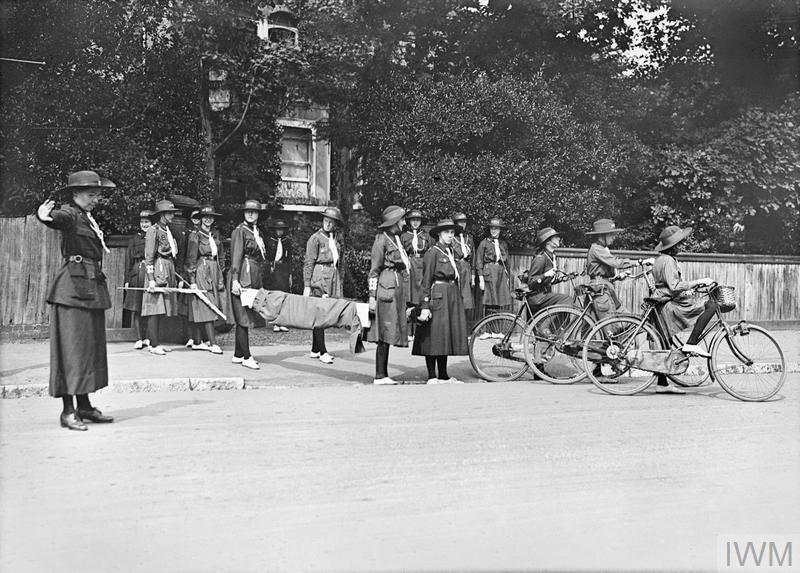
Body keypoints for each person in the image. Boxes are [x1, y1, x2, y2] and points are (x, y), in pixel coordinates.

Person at [35, 170, 116, 431]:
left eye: (97, 195)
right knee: (71, 351)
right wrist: (44, 216)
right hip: (71, 290)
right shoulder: (70, 213)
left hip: (90, 287)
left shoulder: (87, 217)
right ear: (75, 194)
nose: (96, 199)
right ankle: (68, 411)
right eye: (91, 194)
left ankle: (84, 406)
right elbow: (56, 219)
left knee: (87, 349)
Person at [651, 225, 716, 394]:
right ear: (672, 246)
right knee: (711, 306)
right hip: (671, 306)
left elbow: (668, 285)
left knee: (665, 344)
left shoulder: (660, 260)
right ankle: (691, 343)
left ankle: (662, 383)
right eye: (678, 244)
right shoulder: (668, 261)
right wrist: (699, 281)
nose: (680, 247)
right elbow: (674, 286)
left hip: (663, 303)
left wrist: (689, 289)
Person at [413, 218, 468, 384]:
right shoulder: (433, 252)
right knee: (433, 335)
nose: (450, 235)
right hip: (438, 294)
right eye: (447, 232)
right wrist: (424, 305)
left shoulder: (450, 251)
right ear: (439, 234)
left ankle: (443, 375)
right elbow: (426, 280)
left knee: (445, 335)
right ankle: (432, 375)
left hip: (451, 294)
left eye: (452, 233)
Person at [367, 205, 410, 385]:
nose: (404, 222)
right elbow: (374, 271)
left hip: (395, 285)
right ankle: (379, 374)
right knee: (383, 332)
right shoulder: (381, 240)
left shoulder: (396, 239)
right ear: (393, 222)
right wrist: (371, 296)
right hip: (386, 287)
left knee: (389, 331)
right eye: (402, 220)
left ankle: (383, 374)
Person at [228, 199, 268, 370]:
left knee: (244, 315)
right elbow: (236, 255)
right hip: (243, 274)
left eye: (254, 211)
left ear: (258, 214)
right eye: (248, 211)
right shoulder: (240, 231)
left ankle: (238, 354)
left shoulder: (256, 231)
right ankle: (246, 356)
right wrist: (235, 279)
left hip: (253, 273)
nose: (251, 214)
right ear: (244, 213)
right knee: (243, 316)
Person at [303, 206, 344, 364]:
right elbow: (308, 262)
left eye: (331, 222)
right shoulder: (315, 238)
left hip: (332, 275)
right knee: (320, 313)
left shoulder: (334, 239)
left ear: (335, 224)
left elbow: (338, 261)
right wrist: (307, 285)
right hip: (319, 275)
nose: (327, 224)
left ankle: (315, 349)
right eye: (326, 221)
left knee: (325, 312)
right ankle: (322, 351)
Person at [142, 199, 182, 355]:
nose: (172, 215)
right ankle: (153, 344)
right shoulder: (154, 230)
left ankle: (157, 342)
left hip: (168, 266)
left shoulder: (168, 230)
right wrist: (151, 278)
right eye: (169, 213)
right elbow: (149, 256)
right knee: (155, 307)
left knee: (163, 307)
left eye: (172, 212)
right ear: (161, 214)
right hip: (158, 267)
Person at [185, 205, 226, 354]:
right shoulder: (195, 236)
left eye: (211, 217)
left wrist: (221, 269)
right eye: (205, 216)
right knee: (206, 303)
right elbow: (191, 259)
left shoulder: (215, 234)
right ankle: (212, 343)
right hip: (202, 269)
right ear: (201, 218)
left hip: (215, 269)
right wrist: (192, 280)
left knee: (214, 302)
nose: (208, 219)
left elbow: (221, 254)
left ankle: (200, 340)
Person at [585, 218, 638, 320]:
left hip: (603, 287)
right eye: (611, 234)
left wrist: (617, 277)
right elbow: (616, 262)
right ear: (601, 236)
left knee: (590, 325)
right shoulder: (597, 248)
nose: (614, 237)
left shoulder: (602, 248)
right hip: (600, 289)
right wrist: (639, 262)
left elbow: (603, 272)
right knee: (614, 325)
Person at [123, 209, 153, 349]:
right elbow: (129, 259)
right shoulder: (135, 239)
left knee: (149, 305)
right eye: (142, 222)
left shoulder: (155, 236)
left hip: (150, 272)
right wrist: (128, 279)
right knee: (136, 306)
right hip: (137, 271)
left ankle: (147, 337)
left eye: (147, 222)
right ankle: (139, 338)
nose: (144, 225)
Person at [526, 227, 573, 315]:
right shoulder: (541, 258)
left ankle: (558, 328)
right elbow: (531, 282)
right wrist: (545, 274)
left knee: (565, 300)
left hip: (543, 295)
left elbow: (546, 282)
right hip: (537, 298)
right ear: (547, 241)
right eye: (555, 237)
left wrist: (562, 278)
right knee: (566, 299)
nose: (559, 239)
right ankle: (549, 327)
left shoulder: (551, 256)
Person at [476, 217, 512, 325]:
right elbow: (479, 261)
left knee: (499, 301)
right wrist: (481, 278)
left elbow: (507, 263)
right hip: (489, 273)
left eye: (496, 228)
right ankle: (487, 330)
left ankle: (497, 330)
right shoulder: (484, 243)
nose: (494, 231)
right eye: (492, 228)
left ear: (500, 230)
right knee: (489, 301)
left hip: (500, 274)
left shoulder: (503, 244)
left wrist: (507, 278)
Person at [400, 209, 429, 340]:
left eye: (418, 220)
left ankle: (419, 331)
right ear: (409, 222)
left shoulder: (426, 236)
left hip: (422, 265)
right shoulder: (404, 236)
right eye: (413, 220)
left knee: (421, 297)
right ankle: (408, 331)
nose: (416, 222)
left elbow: (430, 252)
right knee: (409, 297)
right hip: (409, 265)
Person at [266, 218, 292, 332]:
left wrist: (290, 273)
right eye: (278, 230)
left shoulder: (287, 241)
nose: (279, 232)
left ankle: (282, 321)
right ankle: (275, 322)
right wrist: (269, 267)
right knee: (274, 297)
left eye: (281, 230)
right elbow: (266, 257)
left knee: (284, 296)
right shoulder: (270, 241)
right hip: (274, 269)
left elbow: (290, 259)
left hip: (284, 270)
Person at [182, 208, 203, 349]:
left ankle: (200, 338)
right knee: (187, 307)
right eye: (194, 217)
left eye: (198, 217)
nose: (197, 220)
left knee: (200, 306)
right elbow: (184, 255)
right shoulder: (187, 234)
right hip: (187, 272)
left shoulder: (204, 233)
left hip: (200, 271)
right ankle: (189, 337)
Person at [452, 212, 476, 317]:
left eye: (464, 222)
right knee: (455, 295)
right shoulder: (451, 238)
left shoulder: (469, 238)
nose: (462, 225)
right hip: (455, 267)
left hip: (466, 268)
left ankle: (463, 324)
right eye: (459, 222)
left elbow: (473, 257)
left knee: (466, 297)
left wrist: (473, 275)